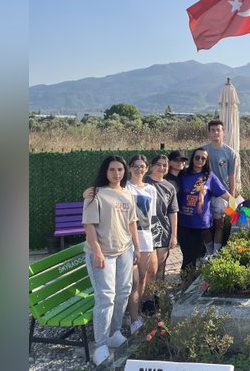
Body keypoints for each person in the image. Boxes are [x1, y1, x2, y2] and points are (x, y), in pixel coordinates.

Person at [82, 155, 139, 366]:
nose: (117, 173)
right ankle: (100, 345)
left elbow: (132, 222)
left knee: (123, 292)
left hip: (124, 250)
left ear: (125, 171)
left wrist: (137, 248)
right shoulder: (95, 194)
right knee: (105, 298)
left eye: (120, 169)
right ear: (105, 172)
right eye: (112, 170)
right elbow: (89, 226)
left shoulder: (127, 194)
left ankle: (114, 332)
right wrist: (97, 251)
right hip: (102, 253)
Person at [178, 147, 232, 271]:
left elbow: (224, 194)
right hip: (184, 222)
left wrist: (239, 204)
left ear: (206, 161)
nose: (200, 160)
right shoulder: (184, 174)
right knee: (187, 254)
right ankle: (186, 280)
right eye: (197, 157)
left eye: (203, 158)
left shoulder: (209, 177)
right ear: (192, 158)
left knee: (193, 255)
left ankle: (186, 280)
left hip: (200, 223)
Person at [125, 155, 158, 335]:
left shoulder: (151, 189)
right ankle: (133, 319)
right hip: (128, 239)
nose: (139, 169)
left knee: (144, 276)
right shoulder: (124, 188)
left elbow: (150, 216)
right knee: (133, 280)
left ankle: (136, 311)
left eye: (142, 166)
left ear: (146, 169)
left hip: (145, 237)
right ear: (130, 168)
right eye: (136, 166)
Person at [200, 120, 239, 255]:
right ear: (209, 132)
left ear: (223, 132)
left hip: (222, 194)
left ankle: (216, 252)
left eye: (218, 130)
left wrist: (232, 198)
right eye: (213, 130)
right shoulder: (203, 151)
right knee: (204, 224)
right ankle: (208, 251)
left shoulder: (230, 153)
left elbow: (232, 176)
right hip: (205, 194)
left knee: (219, 223)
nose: (216, 132)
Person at [145, 155, 179, 298]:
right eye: (158, 164)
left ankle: (159, 298)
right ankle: (147, 298)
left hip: (163, 232)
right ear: (151, 166)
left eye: (164, 165)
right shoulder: (143, 183)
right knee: (150, 269)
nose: (161, 168)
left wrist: (174, 235)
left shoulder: (169, 187)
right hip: (146, 232)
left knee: (160, 268)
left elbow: (172, 212)